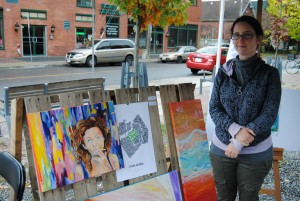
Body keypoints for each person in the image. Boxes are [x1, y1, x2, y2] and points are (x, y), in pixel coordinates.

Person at [209, 15, 281, 201]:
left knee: (248, 197)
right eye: (236, 35)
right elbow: (214, 108)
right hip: (221, 150)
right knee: (224, 197)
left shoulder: (270, 75)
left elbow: (269, 114)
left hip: (255, 154)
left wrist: (239, 143)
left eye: (247, 35)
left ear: (258, 39)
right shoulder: (223, 73)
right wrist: (235, 131)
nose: (241, 40)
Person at [69, 116, 120, 181]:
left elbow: (117, 182)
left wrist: (105, 164)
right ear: (84, 146)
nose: (95, 144)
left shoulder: (113, 159)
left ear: (103, 138)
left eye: (97, 137)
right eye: (89, 140)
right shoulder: (80, 169)